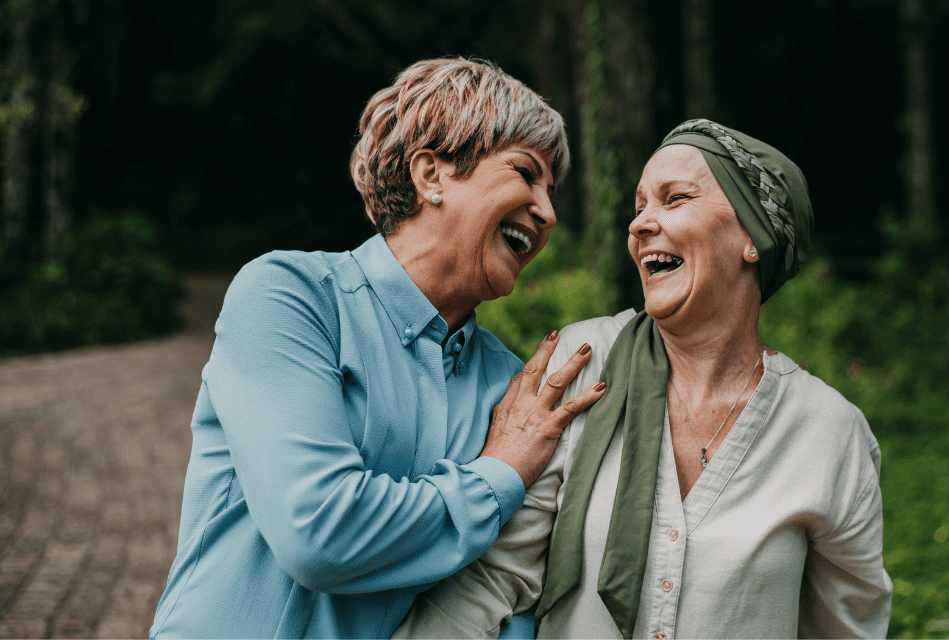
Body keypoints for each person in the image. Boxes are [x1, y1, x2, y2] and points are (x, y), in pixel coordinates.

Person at [148, 58, 606, 638]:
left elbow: (505, 590)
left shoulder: (512, 388)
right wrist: (500, 473)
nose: (548, 211)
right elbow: (317, 531)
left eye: (551, 189)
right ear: (431, 174)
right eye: (525, 172)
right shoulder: (289, 298)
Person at [394, 119, 893, 638]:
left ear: (753, 237)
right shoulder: (580, 362)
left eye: (674, 199)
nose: (639, 226)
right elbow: (496, 577)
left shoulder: (830, 432)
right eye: (639, 208)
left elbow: (846, 629)